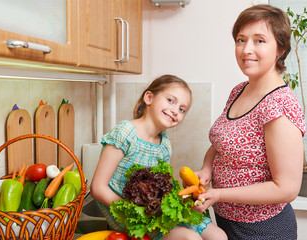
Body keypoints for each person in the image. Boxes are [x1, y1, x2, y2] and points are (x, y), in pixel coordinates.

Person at [193, 4, 306, 240]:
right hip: (226, 221)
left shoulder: (279, 106)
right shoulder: (239, 90)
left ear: (281, 49)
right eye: (241, 40)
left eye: (260, 41)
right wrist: (206, 169)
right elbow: (220, 144)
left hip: (263, 229)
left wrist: (220, 194)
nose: (247, 49)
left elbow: (287, 188)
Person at [90, 74, 227, 240]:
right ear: (148, 98)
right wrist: (135, 209)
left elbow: (164, 189)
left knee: (219, 236)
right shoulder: (125, 132)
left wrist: (184, 199)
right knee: (190, 238)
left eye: (182, 109)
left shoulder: (164, 144)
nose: (175, 110)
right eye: (170, 100)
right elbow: (98, 188)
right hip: (127, 214)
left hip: (155, 210)